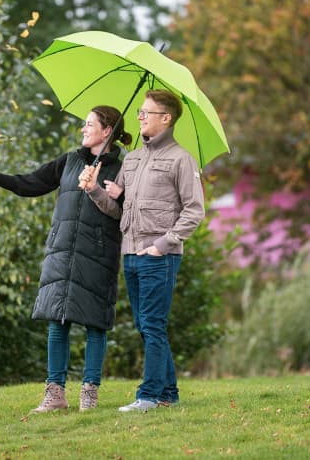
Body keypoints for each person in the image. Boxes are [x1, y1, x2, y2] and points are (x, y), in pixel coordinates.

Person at [0, 106, 132, 413]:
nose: (83, 129)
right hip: (62, 250)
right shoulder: (70, 161)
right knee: (57, 318)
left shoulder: (125, 169)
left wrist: (96, 190)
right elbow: (30, 184)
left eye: (89, 124)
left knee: (95, 324)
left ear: (107, 131)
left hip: (99, 252)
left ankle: (89, 394)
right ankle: (55, 394)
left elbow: (125, 213)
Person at [80, 89, 205, 412]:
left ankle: (148, 395)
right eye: (139, 111)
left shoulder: (181, 159)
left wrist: (163, 245)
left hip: (159, 256)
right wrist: (94, 189)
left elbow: (194, 211)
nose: (140, 117)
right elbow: (116, 209)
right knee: (147, 325)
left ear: (166, 118)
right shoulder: (132, 158)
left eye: (146, 112)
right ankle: (168, 394)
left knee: (152, 324)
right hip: (130, 253)